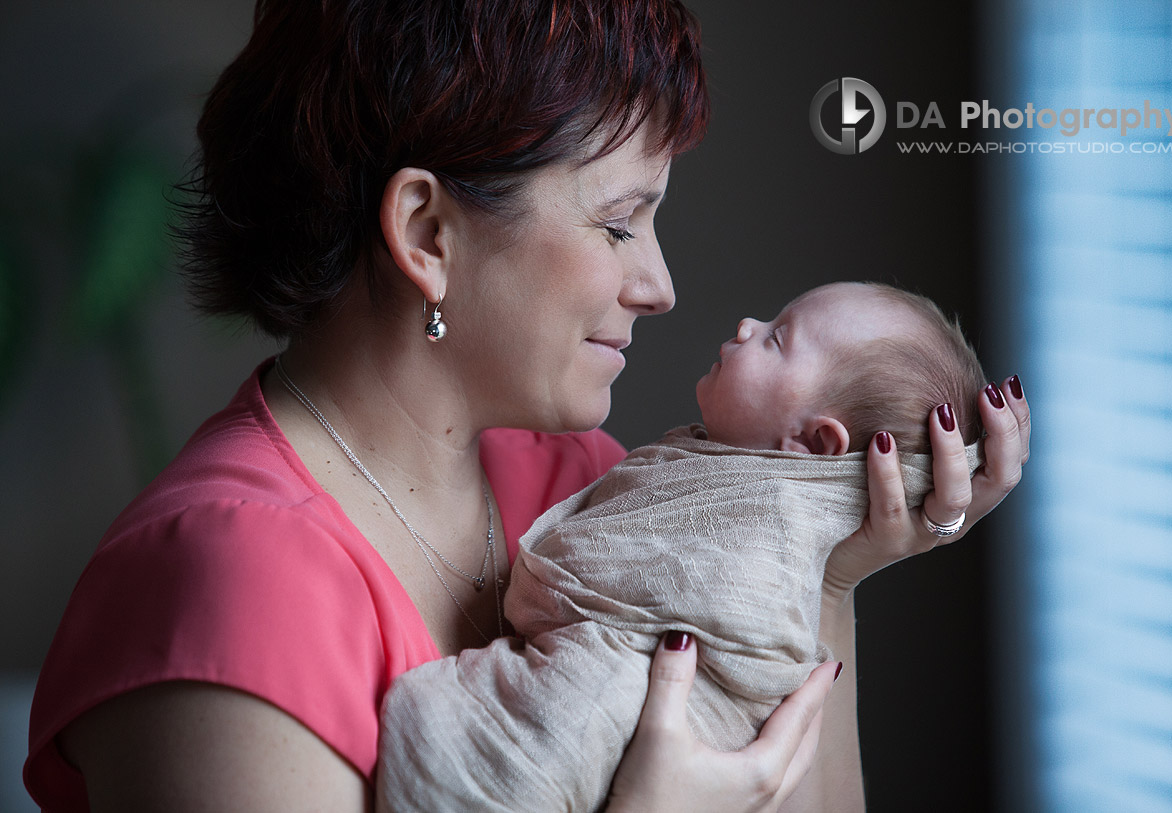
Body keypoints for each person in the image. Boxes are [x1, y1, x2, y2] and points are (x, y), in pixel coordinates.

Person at [23, 2, 1032, 811]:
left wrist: (826, 556)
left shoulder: (582, 484)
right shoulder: (230, 584)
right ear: (426, 230)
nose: (659, 285)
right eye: (617, 223)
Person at [376, 280, 990, 811]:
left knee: (505, 737)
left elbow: (684, 600)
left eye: (776, 338)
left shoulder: (753, 533)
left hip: (636, 704)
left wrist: (837, 576)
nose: (748, 324)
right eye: (617, 225)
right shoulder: (664, 478)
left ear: (813, 446)